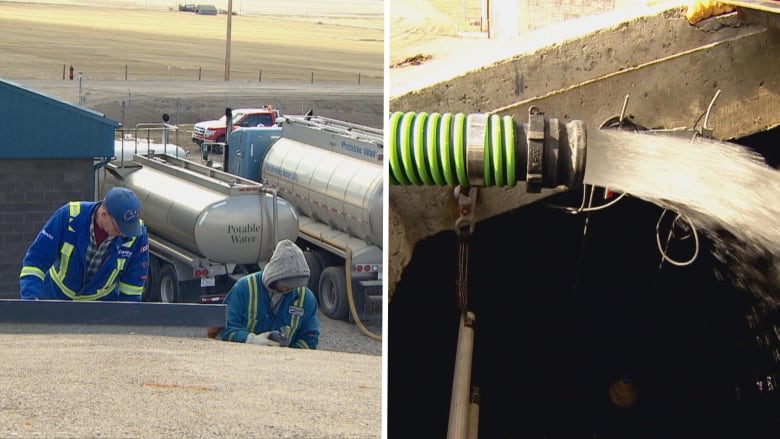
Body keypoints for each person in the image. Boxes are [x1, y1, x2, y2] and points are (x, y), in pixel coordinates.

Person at [19, 187, 149, 301]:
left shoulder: (136, 235)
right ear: (104, 215)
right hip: (56, 299)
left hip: (99, 309)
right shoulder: (68, 217)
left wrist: (127, 322)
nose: (124, 234)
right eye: (119, 228)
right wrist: (32, 302)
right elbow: (35, 262)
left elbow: (132, 289)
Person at [215, 239, 320, 349]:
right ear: (274, 276)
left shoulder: (305, 298)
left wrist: (292, 355)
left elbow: (310, 336)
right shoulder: (244, 288)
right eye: (286, 284)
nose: (290, 288)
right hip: (245, 359)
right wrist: (251, 340)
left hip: (285, 363)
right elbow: (226, 326)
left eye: (295, 285)